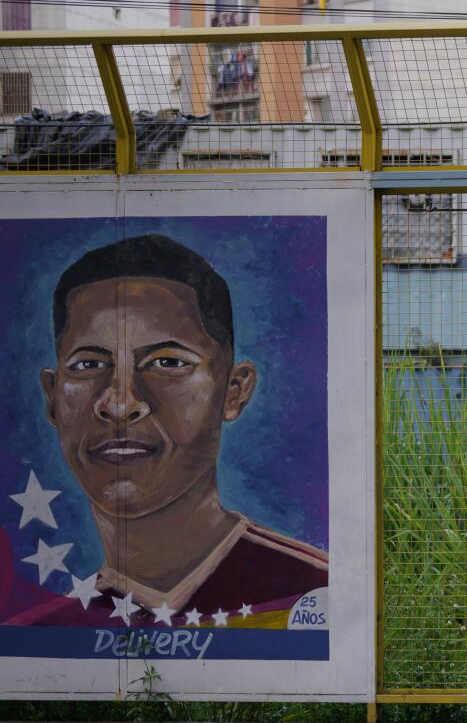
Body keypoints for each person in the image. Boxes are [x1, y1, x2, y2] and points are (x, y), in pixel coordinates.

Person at [9, 233, 328, 628]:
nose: (120, 403)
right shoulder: (44, 631)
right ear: (54, 398)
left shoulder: (312, 593)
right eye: (89, 366)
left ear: (234, 390)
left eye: (167, 362)